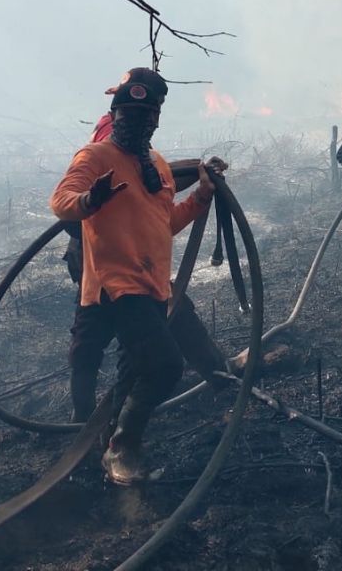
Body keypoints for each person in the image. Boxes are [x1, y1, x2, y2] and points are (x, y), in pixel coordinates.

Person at [50, 67, 218, 485]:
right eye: (128, 115)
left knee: (126, 364)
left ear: (157, 119)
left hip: (148, 285)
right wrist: (90, 199)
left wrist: (201, 196)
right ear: (115, 114)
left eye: (147, 116)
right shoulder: (95, 157)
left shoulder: (157, 165)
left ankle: (98, 444)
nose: (138, 123)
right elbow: (61, 201)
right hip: (117, 286)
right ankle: (119, 447)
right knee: (163, 366)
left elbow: (164, 223)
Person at [60, 99, 231, 426]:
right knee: (99, 341)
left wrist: (200, 181)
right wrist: (89, 201)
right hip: (99, 258)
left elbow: (155, 195)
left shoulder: (137, 151)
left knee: (162, 321)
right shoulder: (102, 153)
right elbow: (72, 203)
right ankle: (87, 423)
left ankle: (219, 374)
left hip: (127, 259)